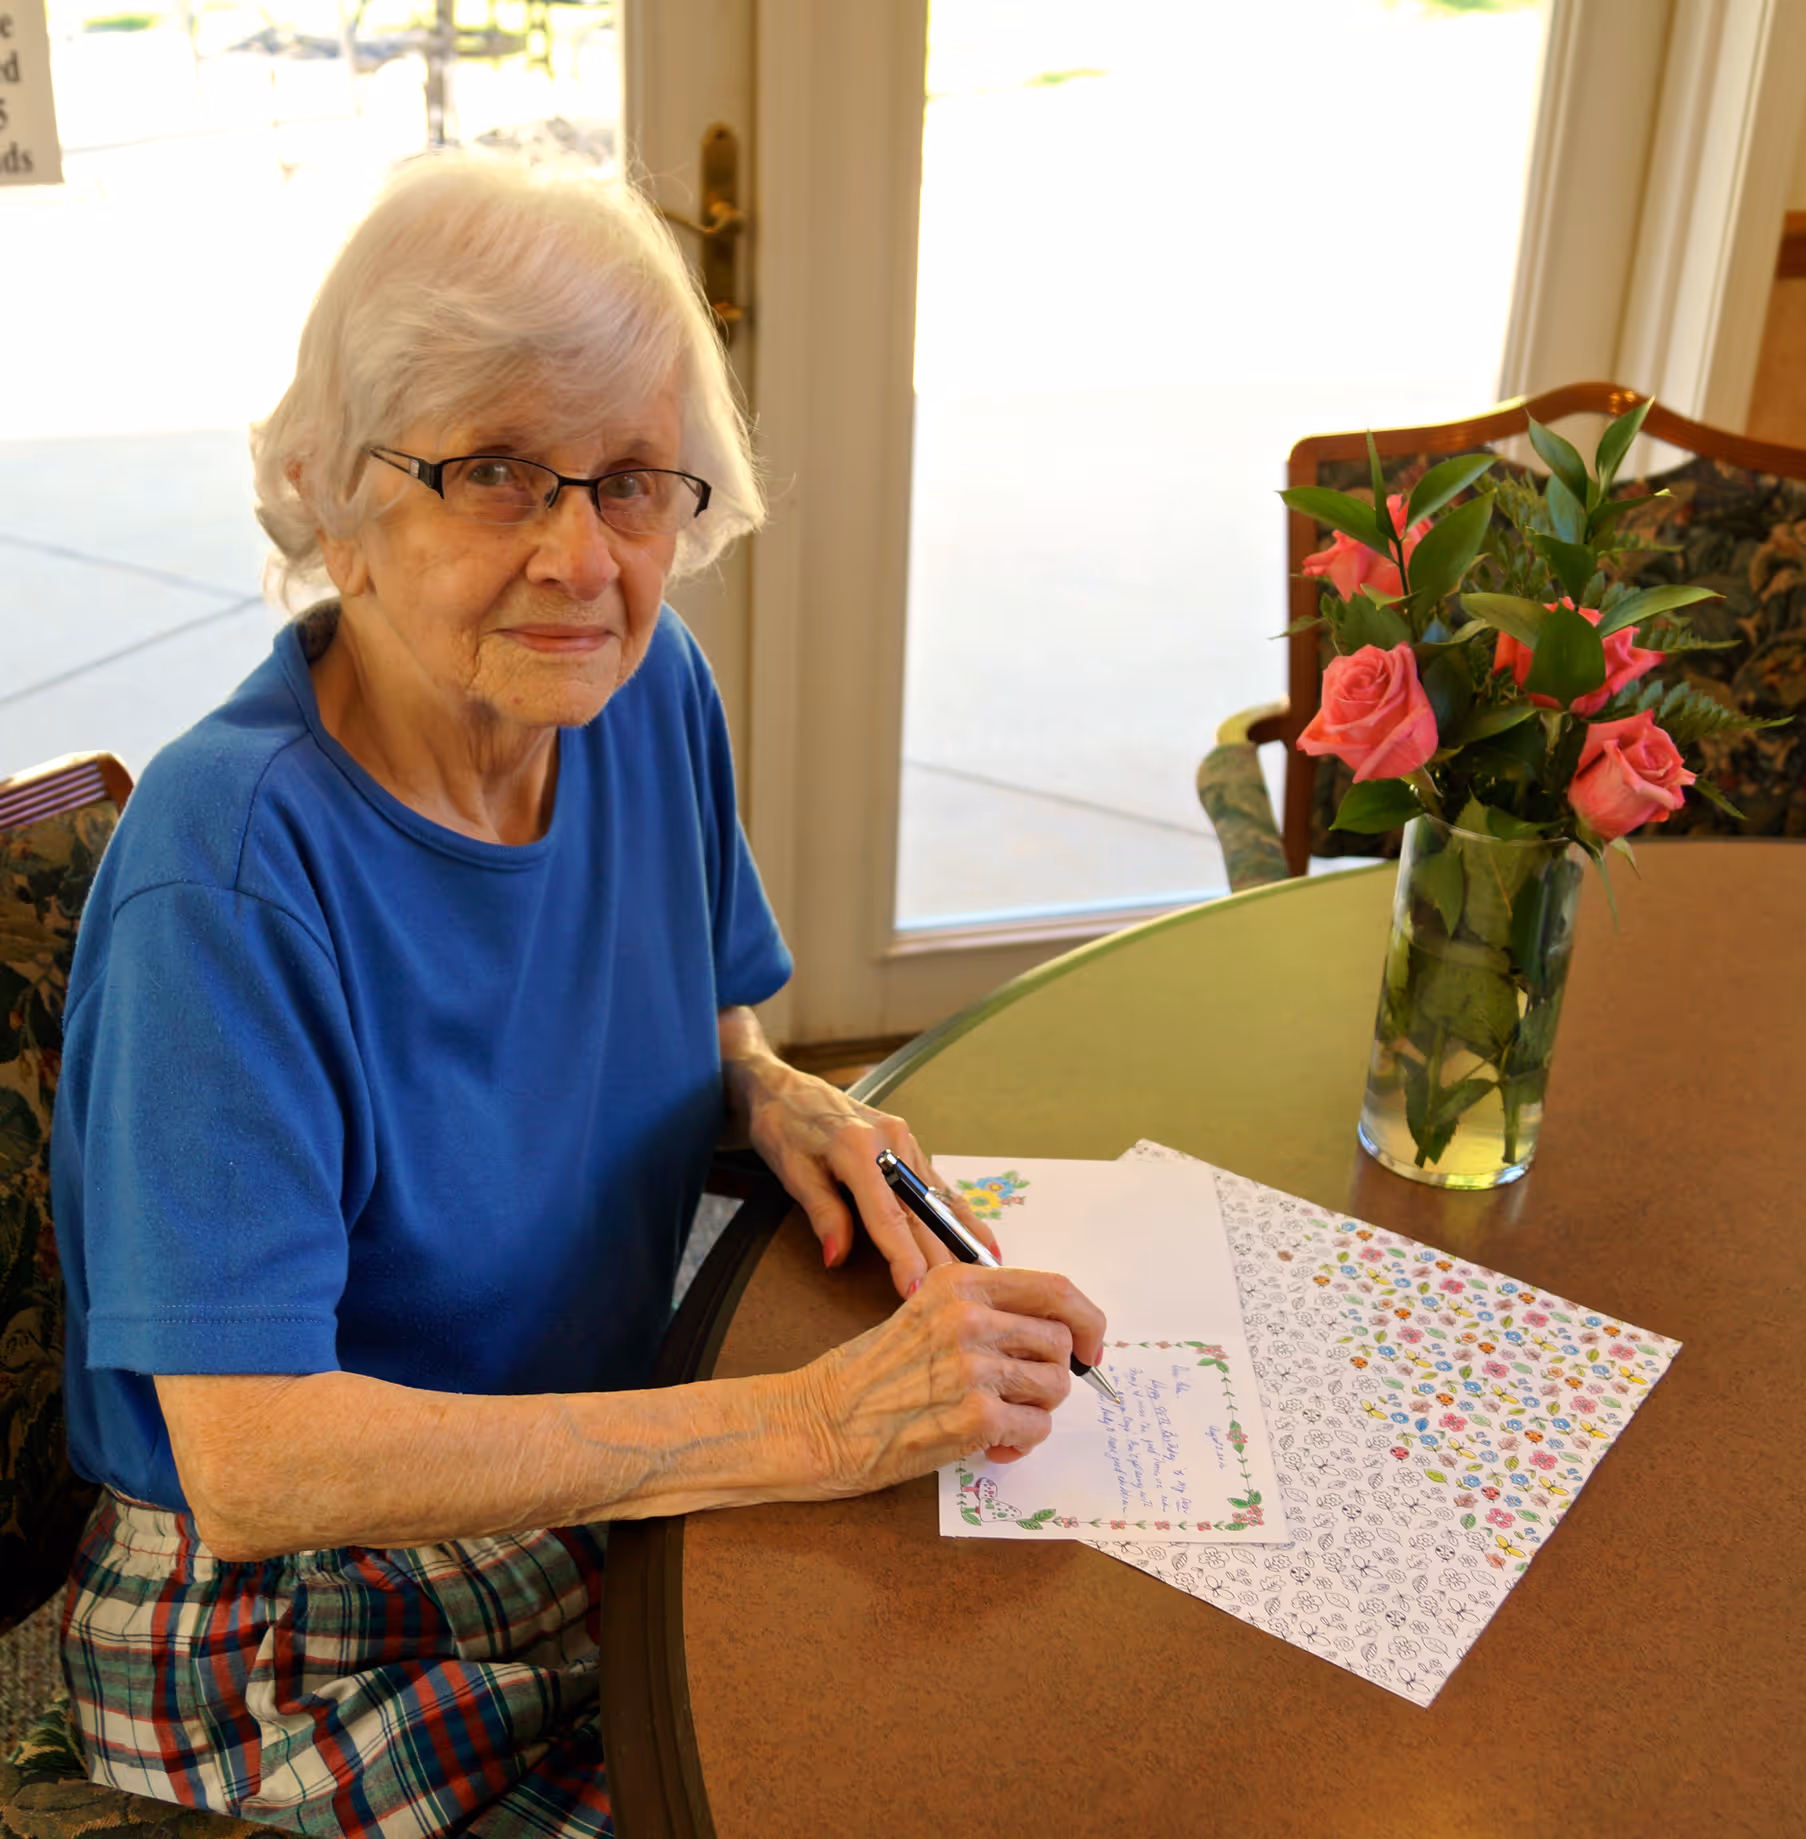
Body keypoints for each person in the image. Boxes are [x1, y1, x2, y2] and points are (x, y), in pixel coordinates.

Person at [50, 154, 1104, 1839]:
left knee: (972, 1712)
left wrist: (770, 1091)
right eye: (493, 470)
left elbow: (699, 1014)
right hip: (303, 1615)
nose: (582, 557)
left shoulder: (644, 689)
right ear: (336, 496)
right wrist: (801, 1421)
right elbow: (255, 1460)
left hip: (579, 1475)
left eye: (630, 480)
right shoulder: (230, 870)